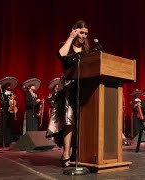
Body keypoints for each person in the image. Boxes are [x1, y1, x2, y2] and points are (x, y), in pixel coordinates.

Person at [57, 20, 89, 166]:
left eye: (86, 33)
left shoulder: (87, 51)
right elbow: (61, 54)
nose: (83, 36)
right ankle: (66, 154)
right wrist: (70, 37)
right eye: (81, 32)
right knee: (69, 121)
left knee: (81, 123)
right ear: (75, 31)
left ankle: (79, 152)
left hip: (83, 90)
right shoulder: (67, 47)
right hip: (68, 89)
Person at [0, 77, 18, 148]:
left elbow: (13, 101)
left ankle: (7, 141)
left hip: (10, 110)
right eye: (7, 84)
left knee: (8, 126)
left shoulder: (11, 92)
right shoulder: (2, 92)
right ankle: (1, 142)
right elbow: (1, 100)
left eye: (9, 84)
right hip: (4, 109)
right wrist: (6, 101)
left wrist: (12, 101)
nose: (9, 85)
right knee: (3, 126)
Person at [46, 77, 63, 147]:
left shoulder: (60, 93)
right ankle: (51, 135)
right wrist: (53, 103)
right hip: (53, 109)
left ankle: (58, 137)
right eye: (56, 86)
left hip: (59, 109)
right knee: (52, 122)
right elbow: (49, 101)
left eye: (58, 86)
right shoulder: (52, 94)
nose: (57, 87)